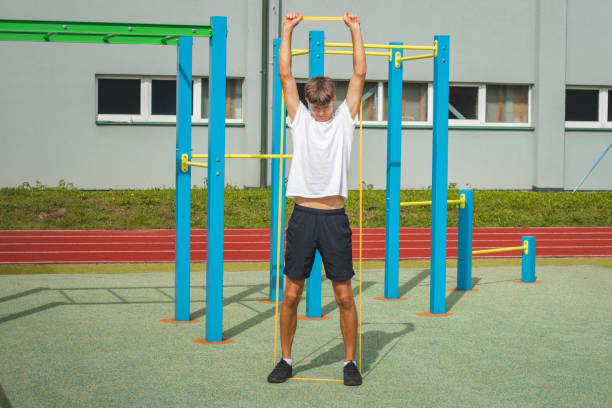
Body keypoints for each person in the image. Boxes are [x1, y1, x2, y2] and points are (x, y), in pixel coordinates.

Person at [267, 11, 366, 386]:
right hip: (303, 217)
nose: (322, 113)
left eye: (326, 106)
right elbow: (286, 75)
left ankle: (349, 364)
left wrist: (356, 30)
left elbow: (359, 74)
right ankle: (286, 359)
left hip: (334, 219)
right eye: (316, 106)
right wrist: (287, 31)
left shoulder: (344, 120)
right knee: (291, 293)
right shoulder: (300, 118)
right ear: (308, 103)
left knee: (343, 295)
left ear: (334, 102)